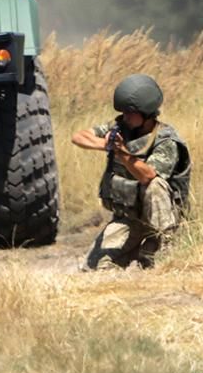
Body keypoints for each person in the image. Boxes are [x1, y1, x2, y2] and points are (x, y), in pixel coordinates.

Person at [72, 74, 190, 270]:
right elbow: (78, 137)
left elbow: (148, 175)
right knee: (94, 267)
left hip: (162, 221)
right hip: (129, 219)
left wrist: (121, 152)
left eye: (129, 112)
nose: (124, 117)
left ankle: (166, 245)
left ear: (146, 113)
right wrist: (106, 145)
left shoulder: (166, 140)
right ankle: (139, 249)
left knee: (154, 185)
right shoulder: (121, 128)